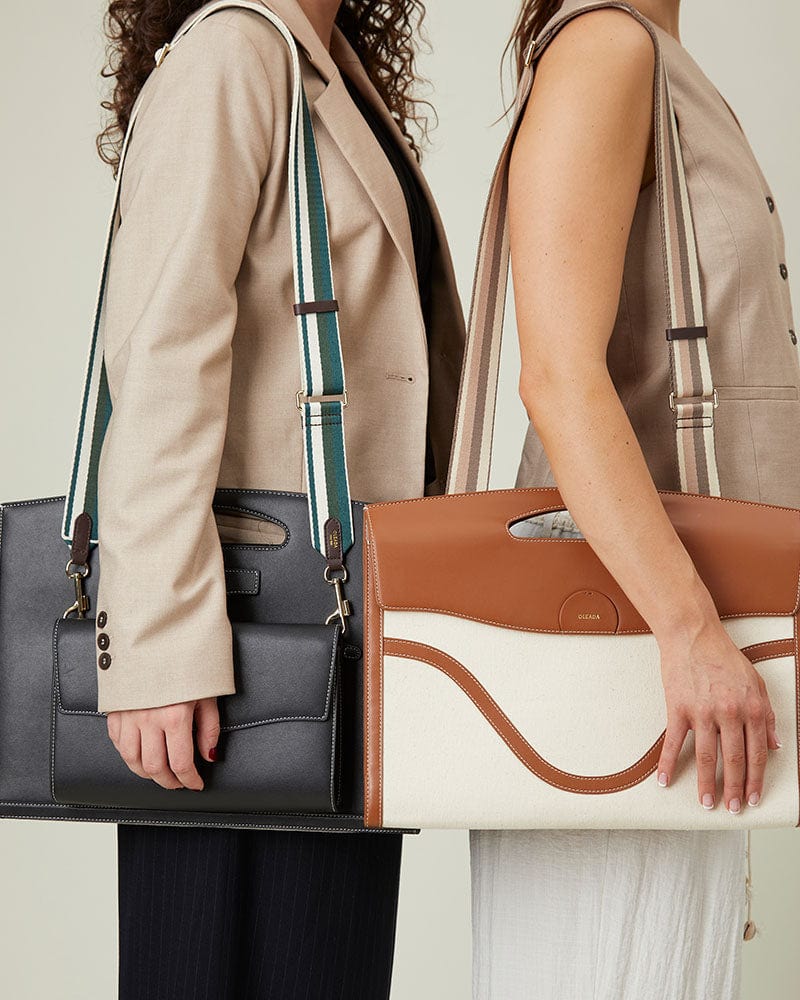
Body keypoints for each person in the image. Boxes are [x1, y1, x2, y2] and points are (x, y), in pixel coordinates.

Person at [91, 0, 464, 996]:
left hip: (339, 642)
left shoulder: (324, 66)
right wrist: (156, 651)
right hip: (229, 659)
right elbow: (159, 357)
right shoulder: (232, 53)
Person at [470, 1, 798, 998]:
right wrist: (690, 630)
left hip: (672, 668)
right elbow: (557, 376)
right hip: (634, 660)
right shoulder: (605, 51)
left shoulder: (654, 58)